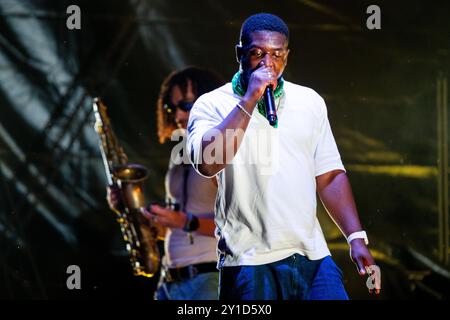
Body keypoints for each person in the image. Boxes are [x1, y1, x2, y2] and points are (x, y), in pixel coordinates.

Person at [186, 13, 381, 300]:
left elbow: (328, 174)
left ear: (287, 56)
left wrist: (356, 237)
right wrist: (249, 99)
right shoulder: (212, 104)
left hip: (312, 256)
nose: (268, 63)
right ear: (240, 54)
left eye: (277, 54)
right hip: (249, 261)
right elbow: (207, 162)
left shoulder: (310, 102)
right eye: (257, 53)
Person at [108, 66, 225, 300]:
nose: (178, 116)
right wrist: (132, 211)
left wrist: (184, 221)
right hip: (169, 280)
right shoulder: (180, 155)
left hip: (209, 279)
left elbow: (239, 226)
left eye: (187, 105)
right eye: (172, 108)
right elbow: (172, 228)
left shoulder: (223, 152)